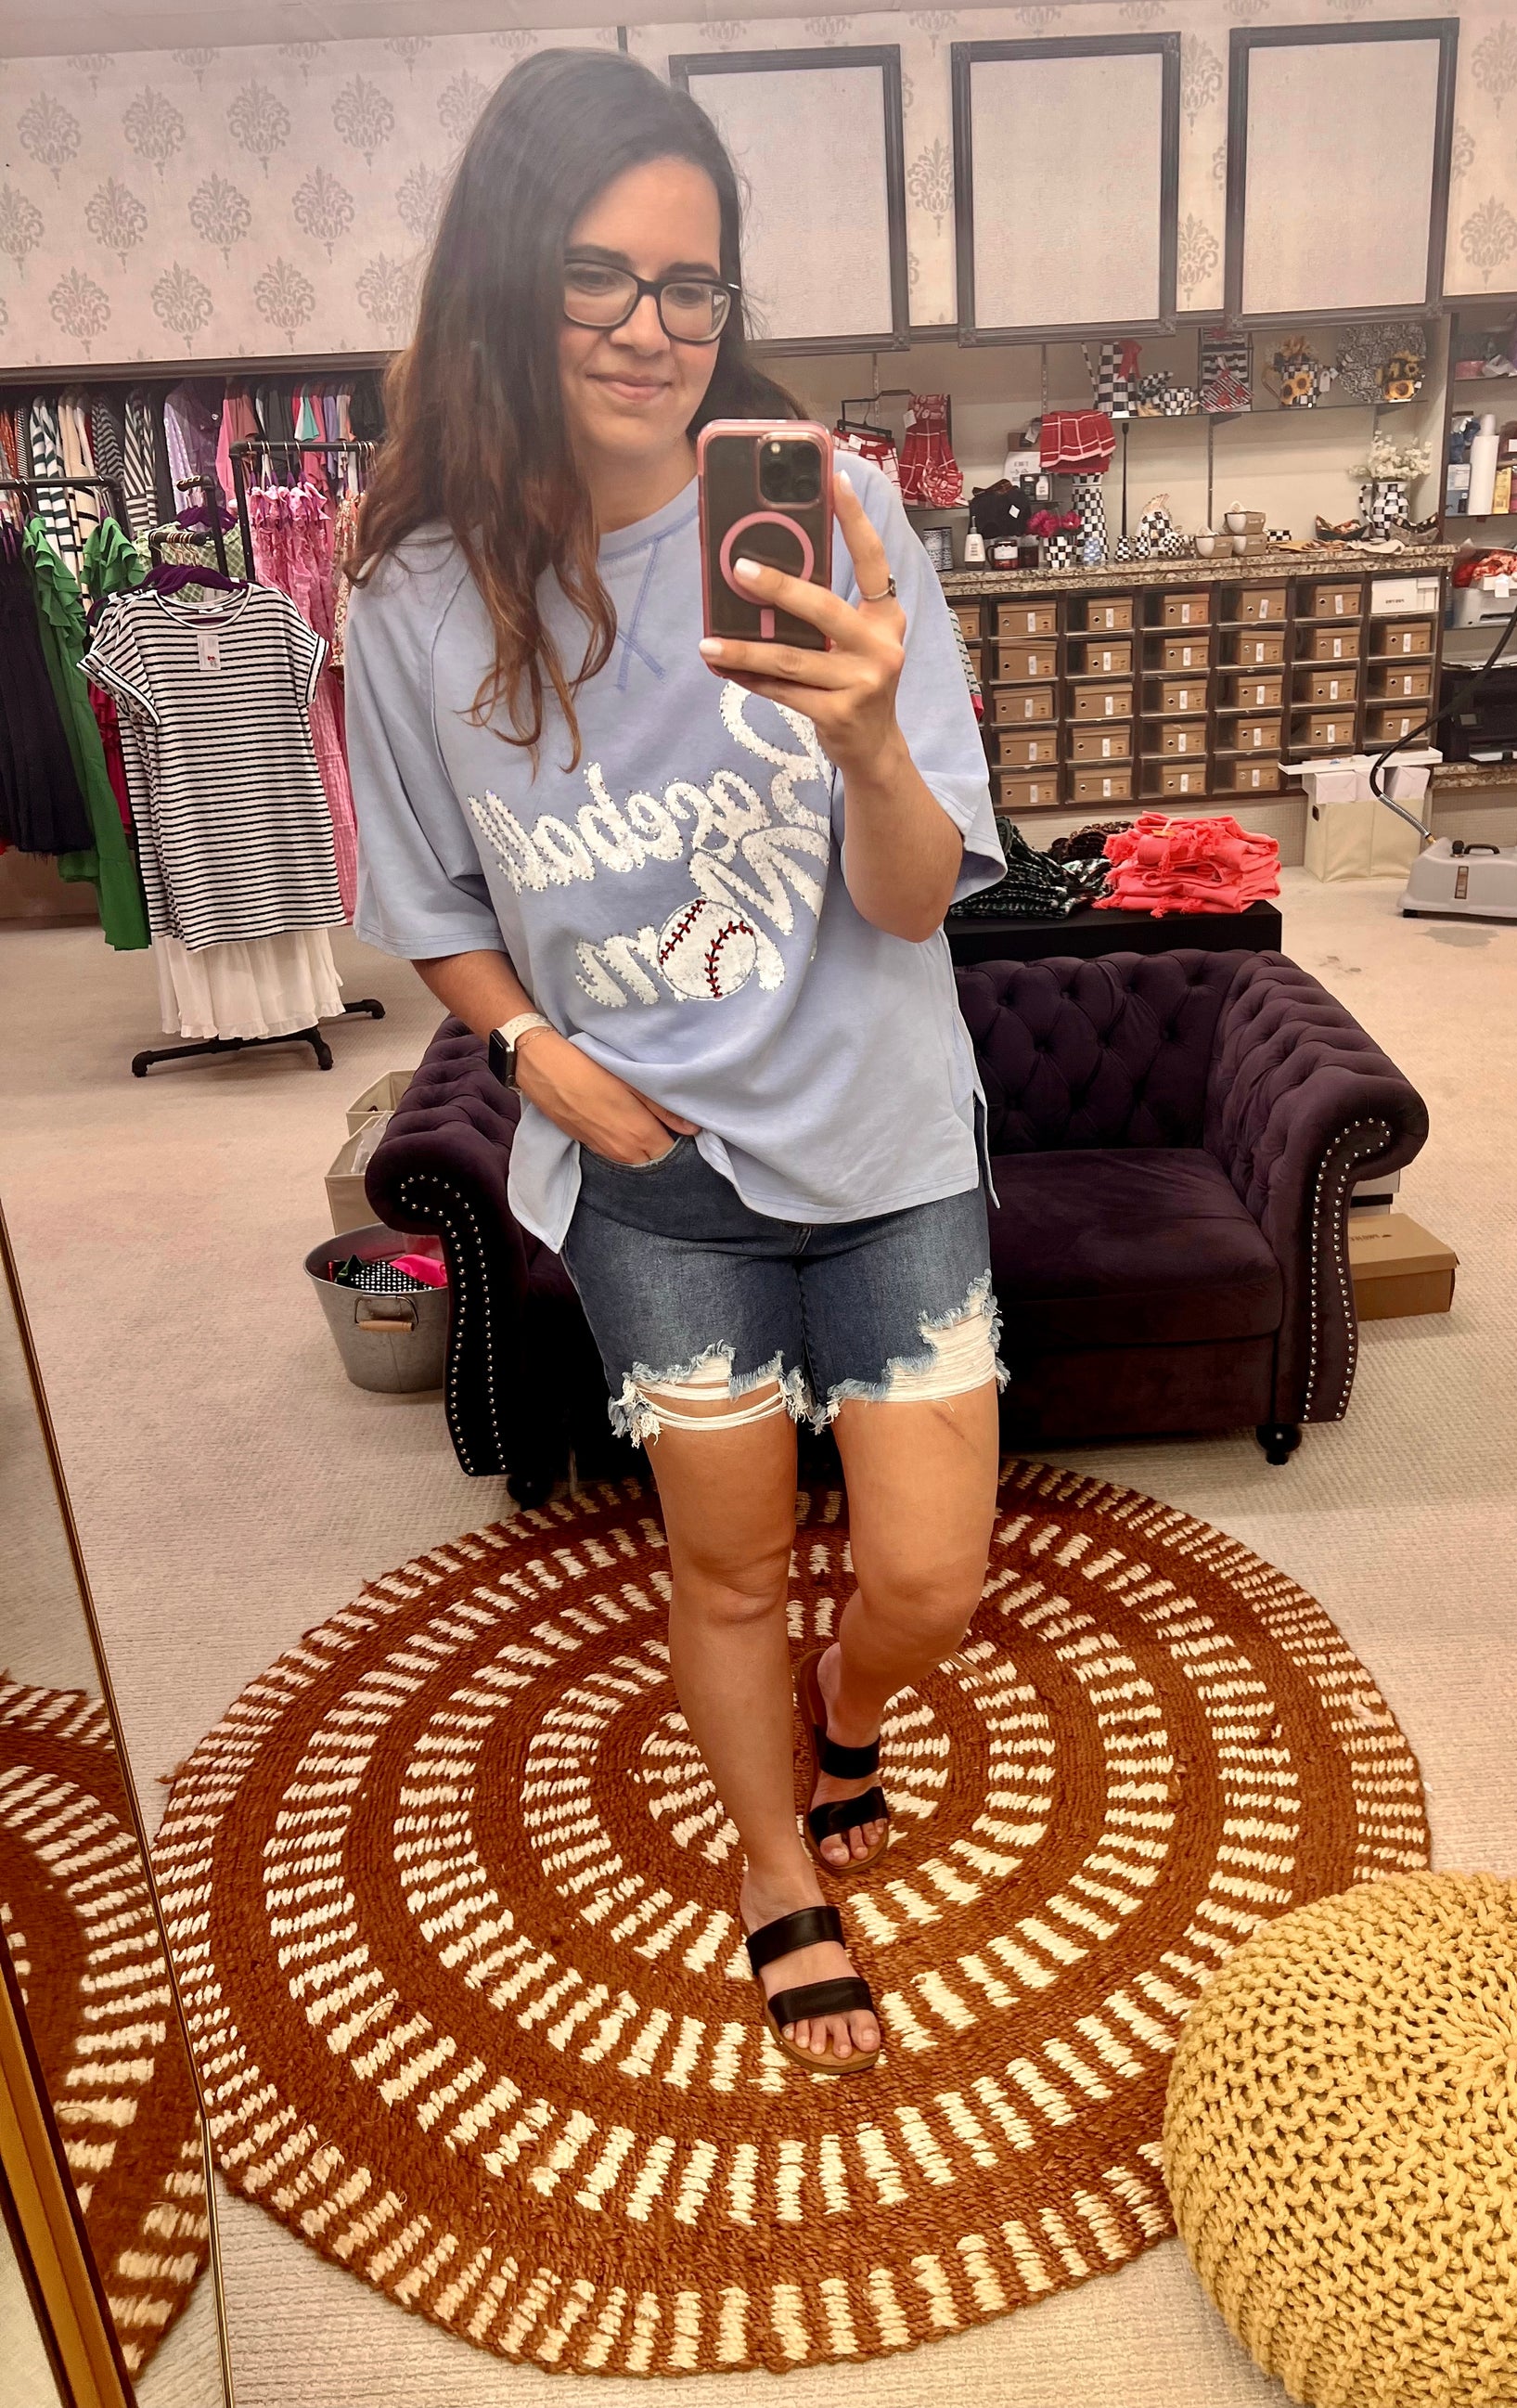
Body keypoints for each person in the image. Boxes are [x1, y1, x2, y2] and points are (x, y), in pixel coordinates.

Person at [345, 48, 1005, 2078]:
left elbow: (912, 900)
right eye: (597, 274)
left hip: (884, 1139)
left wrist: (868, 735)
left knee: (925, 1579)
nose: (651, 328)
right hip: (649, 1170)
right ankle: (772, 1864)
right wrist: (529, 1051)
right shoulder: (409, 599)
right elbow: (431, 902)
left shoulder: (839, 520)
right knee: (722, 1561)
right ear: (503, 280)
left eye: (691, 284)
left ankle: (852, 1713)